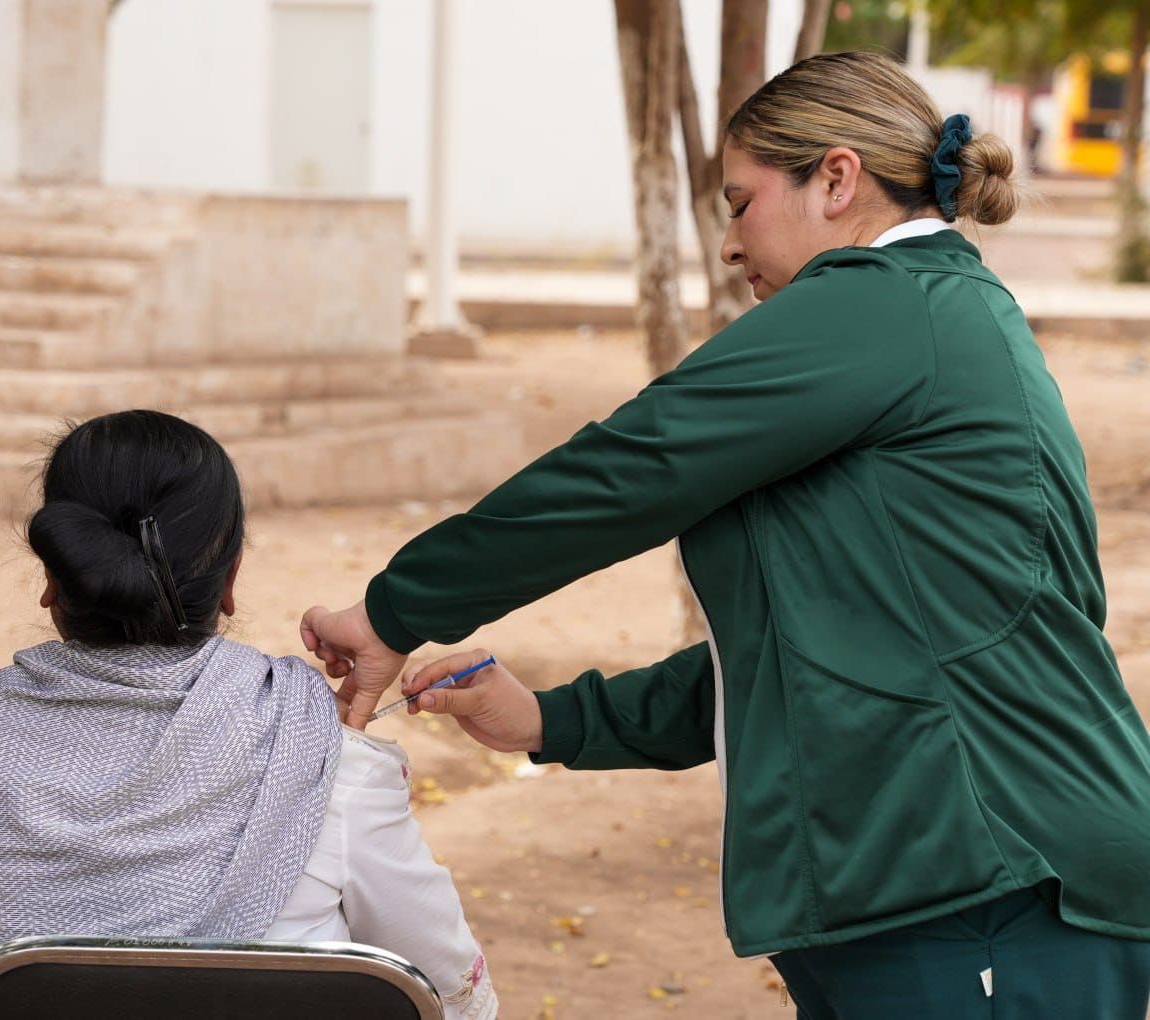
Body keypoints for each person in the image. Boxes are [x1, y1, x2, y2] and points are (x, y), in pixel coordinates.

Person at [301, 51, 1150, 1019]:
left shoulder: (881, 304)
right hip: (947, 887)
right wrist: (551, 721)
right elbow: (815, 654)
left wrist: (394, 609)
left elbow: (634, 463)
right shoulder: (923, 321)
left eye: (741, 204)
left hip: (990, 883)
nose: (730, 247)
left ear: (836, 180)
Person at [0, 410, 496, 1019]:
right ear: (230, 579)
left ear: (55, 574)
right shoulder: (325, 760)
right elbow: (451, 991)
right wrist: (332, 759)